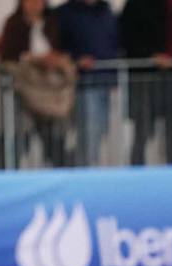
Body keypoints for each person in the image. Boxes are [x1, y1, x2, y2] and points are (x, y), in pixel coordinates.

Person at [118, 0, 172, 166]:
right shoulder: (136, 4)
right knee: (142, 128)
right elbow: (127, 36)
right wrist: (151, 56)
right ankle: (137, 171)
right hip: (145, 76)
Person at [0, 0, 73, 168]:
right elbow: (9, 57)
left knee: (54, 142)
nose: (35, 4)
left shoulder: (51, 23)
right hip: (22, 92)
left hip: (47, 93)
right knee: (18, 140)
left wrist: (55, 60)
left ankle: (65, 175)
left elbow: (60, 49)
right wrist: (36, 59)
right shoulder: (14, 24)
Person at [53, 0, 117, 166]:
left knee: (100, 129)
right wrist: (75, 59)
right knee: (89, 132)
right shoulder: (65, 13)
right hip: (82, 83)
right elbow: (57, 46)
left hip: (105, 80)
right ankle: (85, 170)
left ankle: (84, 166)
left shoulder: (106, 11)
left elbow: (115, 41)